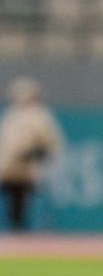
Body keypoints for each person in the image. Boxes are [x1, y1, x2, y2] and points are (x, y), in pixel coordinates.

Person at [0, 78, 64, 231]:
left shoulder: (41, 116)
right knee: (15, 206)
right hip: (6, 167)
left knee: (19, 207)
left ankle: (20, 240)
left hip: (25, 170)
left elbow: (53, 144)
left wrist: (35, 153)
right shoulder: (12, 115)